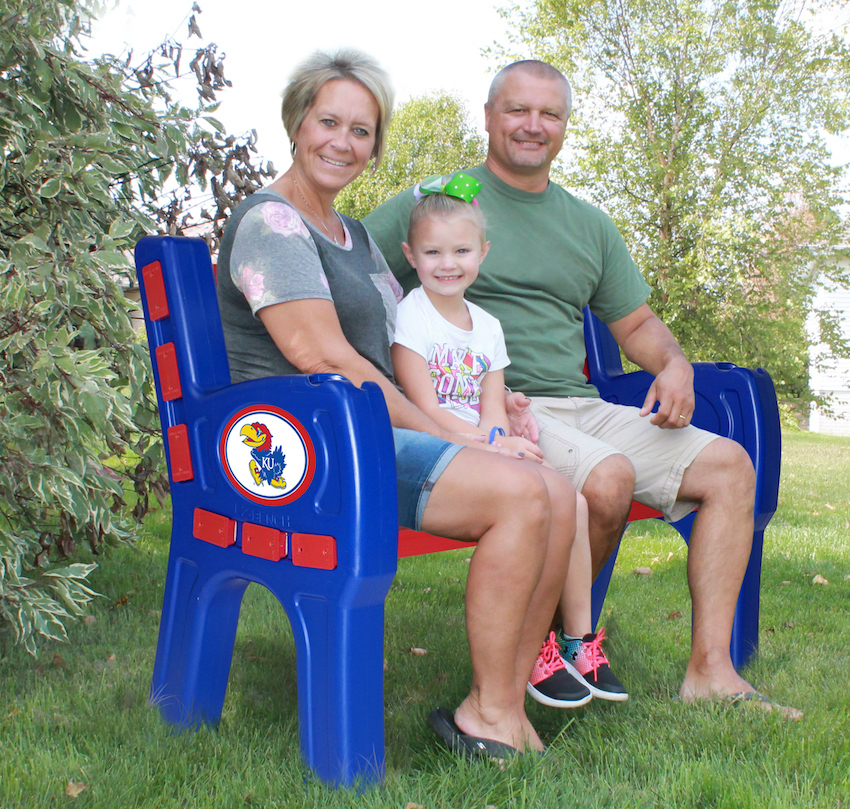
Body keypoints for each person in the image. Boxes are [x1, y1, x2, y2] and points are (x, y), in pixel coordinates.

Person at [364, 59, 801, 718]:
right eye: (518, 110)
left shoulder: (587, 223)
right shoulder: (442, 202)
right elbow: (351, 268)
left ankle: (711, 671)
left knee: (730, 468)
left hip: (584, 404)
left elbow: (638, 322)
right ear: (489, 117)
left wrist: (674, 364)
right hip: (499, 409)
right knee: (606, 480)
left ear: (565, 127)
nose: (533, 125)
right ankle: (551, 648)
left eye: (550, 114)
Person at [215, 47, 589, 758]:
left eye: (362, 131)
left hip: (362, 430)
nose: (343, 142)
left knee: (556, 488)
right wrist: (459, 439)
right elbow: (322, 356)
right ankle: (494, 710)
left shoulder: (352, 236)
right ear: (296, 123)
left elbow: (407, 345)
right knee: (521, 495)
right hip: (305, 447)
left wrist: (492, 408)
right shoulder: (272, 224)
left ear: (375, 147)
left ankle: (498, 705)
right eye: (329, 122)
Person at [391, 179, 627, 705]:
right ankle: (532, 650)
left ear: (483, 254)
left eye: (461, 250)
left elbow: (492, 404)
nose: (447, 263)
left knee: (574, 498)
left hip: (483, 444)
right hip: (437, 445)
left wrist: (502, 437)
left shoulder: (489, 327)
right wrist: (493, 446)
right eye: (432, 251)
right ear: (410, 255)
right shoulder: (411, 316)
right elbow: (424, 407)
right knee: (539, 495)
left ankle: (576, 641)